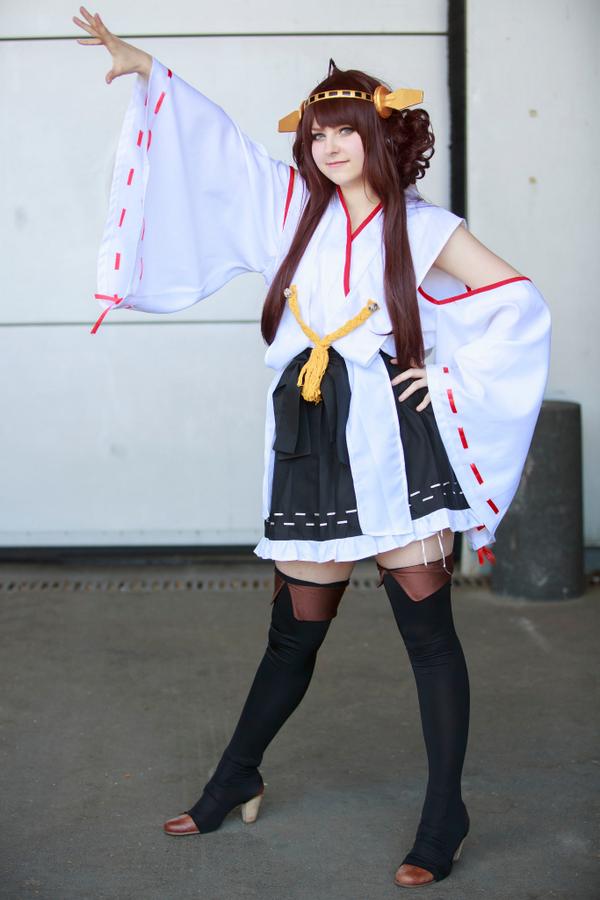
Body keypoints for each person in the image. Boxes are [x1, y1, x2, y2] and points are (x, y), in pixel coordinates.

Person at [74, 6, 551, 888]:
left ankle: (444, 814)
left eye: (346, 131)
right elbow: (215, 147)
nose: (330, 147)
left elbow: (517, 301)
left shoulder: (423, 226)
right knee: (294, 632)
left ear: (380, 135)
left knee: (428, 634)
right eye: (318, 134)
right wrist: (147, 67)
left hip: (391, 441)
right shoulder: (290, 207)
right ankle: (236, 776)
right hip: (310, 431)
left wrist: (447, 377)